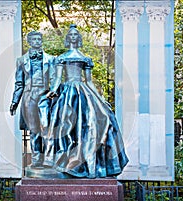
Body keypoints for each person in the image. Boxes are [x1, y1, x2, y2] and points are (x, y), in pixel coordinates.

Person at [43, 24, 129, 178]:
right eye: (71, 35)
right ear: (68, 38)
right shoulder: (61, 57)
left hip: (84, 92)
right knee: (66, 126)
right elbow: (57, 78)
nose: (73, 37)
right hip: (68, 93)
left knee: (101, 119)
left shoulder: (85, 58)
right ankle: (65, 162)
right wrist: (53, 91)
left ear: (79, 38)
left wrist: (100, 99)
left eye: (76, 34)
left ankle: (90, 165)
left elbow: (89, 81)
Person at [10, 31, 55, 168]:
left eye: (39, 39)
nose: (37, 41)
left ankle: (49, 158)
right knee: (34, 129)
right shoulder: (21, 60)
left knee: (47, 127)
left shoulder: (51, 59)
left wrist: (54, 93)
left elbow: (54, 79)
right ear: (29, 42)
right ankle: (36, 159)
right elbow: (19, 83)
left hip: (45, 96)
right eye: (34, 39)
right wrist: (14, 102)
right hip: (29, 97)